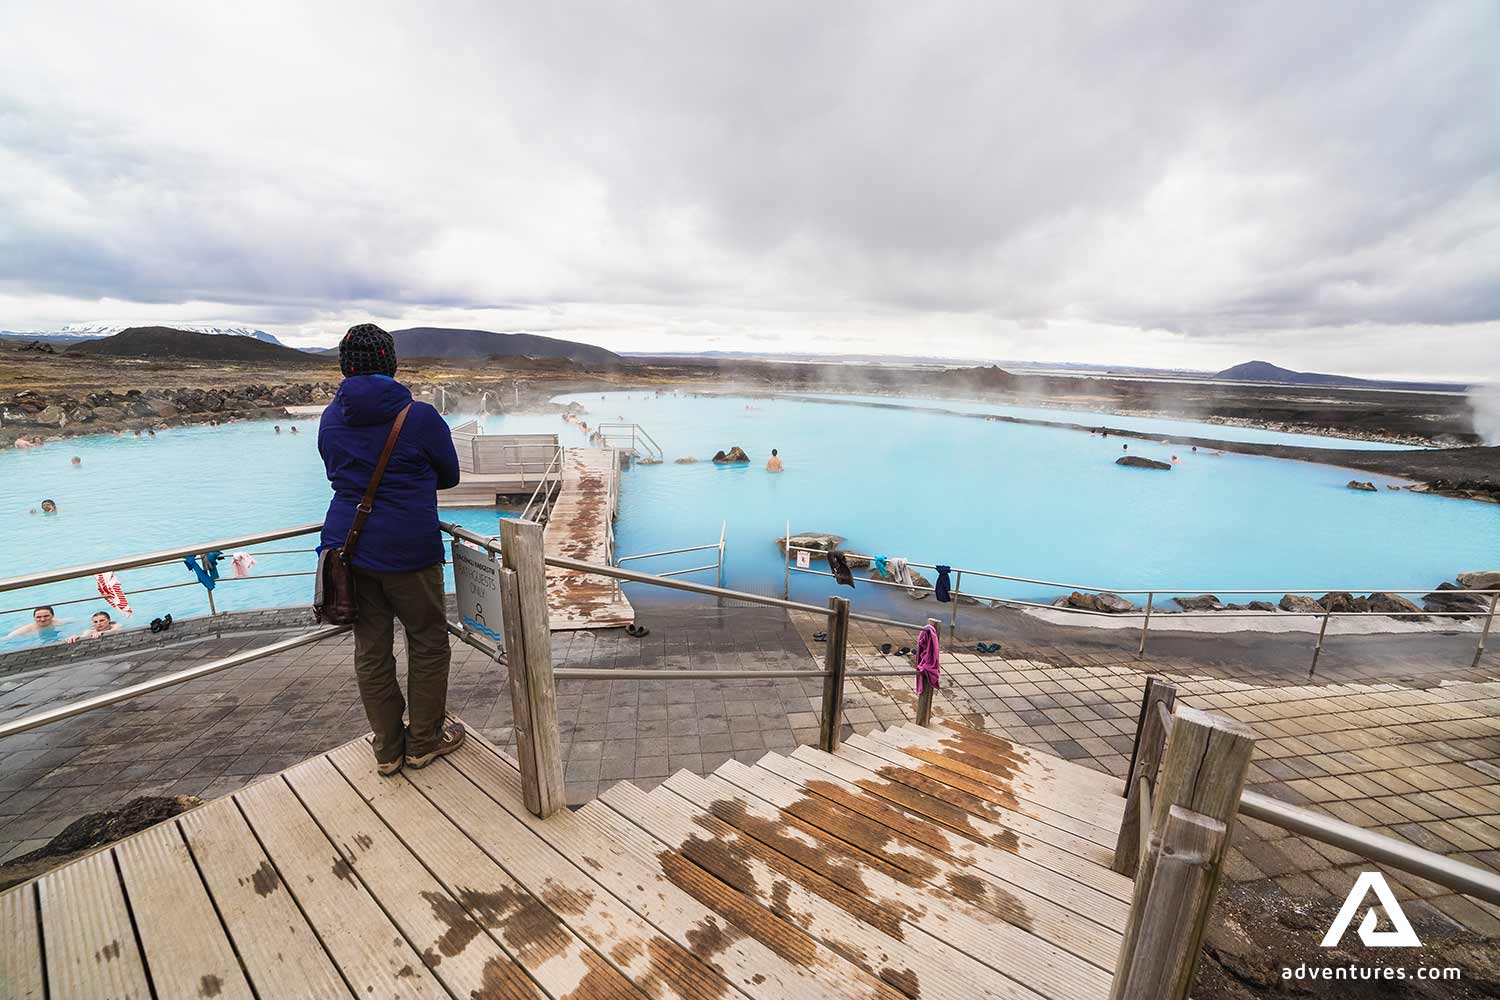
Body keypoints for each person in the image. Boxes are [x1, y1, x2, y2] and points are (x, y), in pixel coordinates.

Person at [319, 323, 464, 776]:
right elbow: (450, 475)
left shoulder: (329, 416)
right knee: (427, 642)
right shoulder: (418, 417)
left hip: (349, 548)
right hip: (408, 549)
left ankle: (387, 749)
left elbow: (334, 472)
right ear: (391, 364)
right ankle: (423, 742)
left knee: (371, 648)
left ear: (346, 366)